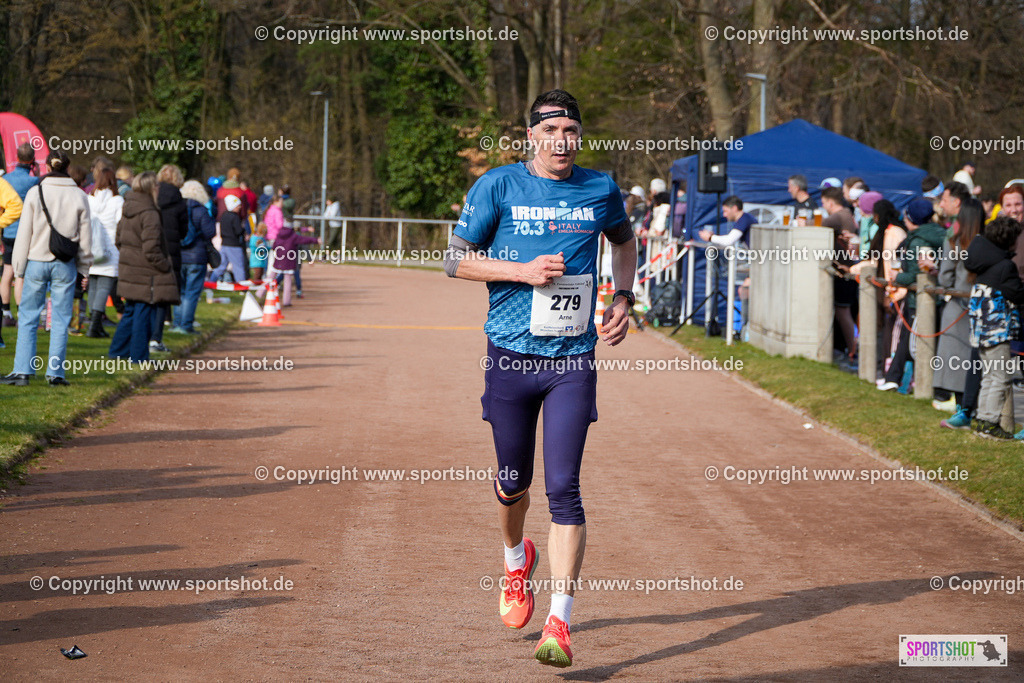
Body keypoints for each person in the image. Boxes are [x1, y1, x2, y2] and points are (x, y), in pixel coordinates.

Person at [444, 89, 636, 668]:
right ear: (531, 136)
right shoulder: (498, 186)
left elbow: (625, 244)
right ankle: (513, 560)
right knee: (511, 484)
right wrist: (521, 272)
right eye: (552, 132)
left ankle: (560, 621)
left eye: (572, 132)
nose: (563, 142)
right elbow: (454, 259)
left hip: (572, 360)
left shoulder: (601, 188)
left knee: (565, 489)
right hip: (509, 356)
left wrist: (624, 295)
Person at [1, 150, 92, 386]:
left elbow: (25, 234)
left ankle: (22, 371)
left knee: (29, 317)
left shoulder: (35, 192)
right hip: (65, 263)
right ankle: (55, 374)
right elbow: (85, 238)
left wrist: (18, 267)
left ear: (46, 166)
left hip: (37, 260)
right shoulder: (79, 196)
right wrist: (84, 268)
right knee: (61, 320)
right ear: (67, 167)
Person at [921, 199, 982, 428]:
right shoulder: (987, 242)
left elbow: (945, 278)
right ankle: (972, 410)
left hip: (958, 306)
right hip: (982, 307)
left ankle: (961, 412)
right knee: (975, 364)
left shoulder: (955, 241)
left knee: (957, 365)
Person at [108, 172, 179, 363]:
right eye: (156, 186)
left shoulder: (128, 207)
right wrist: (165, 266)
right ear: (151, 188)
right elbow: (151, 248)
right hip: (146, 272)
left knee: (131, 311)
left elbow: (118, 239)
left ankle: (118, 351)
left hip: (129, 268)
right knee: (142, 313)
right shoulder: (150, 213)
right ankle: (138, 356)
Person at [964, 216, 1024, 439]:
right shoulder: (1004, 266)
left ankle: (982, 419)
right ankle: (989, 422)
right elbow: (1017, 293)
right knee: (1000, 377)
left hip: (981, 331)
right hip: (997, 331)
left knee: (989, 375)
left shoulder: (984, 262)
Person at [877, 198, 946, 391]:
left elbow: (918, 274)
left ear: (911, 219)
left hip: (921, 300)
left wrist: (898, 277)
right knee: (908, 339)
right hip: (924, 299)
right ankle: (896, 378)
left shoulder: (918, 241)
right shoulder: (937, 233)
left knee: (914, 342)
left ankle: (921, 385)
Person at [152, 164, 188, 353]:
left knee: (148, 294)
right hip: (171, 249)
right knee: (164, 294)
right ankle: (156, 337)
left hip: (152, 245)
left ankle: (146, 335)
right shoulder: (179, 200)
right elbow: (184, 231)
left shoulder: (153, 196)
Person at [173, 180, 218, 334]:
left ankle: (177, 324)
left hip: (179, 255)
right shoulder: (201, 210)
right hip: (197, 256)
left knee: (180, 291)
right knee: (191, 293)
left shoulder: (177, 209)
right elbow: (210, 232)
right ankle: (186, 325)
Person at [820, 187, 860, 363]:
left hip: (845, 271)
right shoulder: (846, 214)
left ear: (830, 202)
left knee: (843, 312)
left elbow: (816, 228)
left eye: (823, 204)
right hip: (848, 270)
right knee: (844, 312)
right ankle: (849, 349)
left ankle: (852, 351)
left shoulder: (837, 216)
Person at [85, 168, 123, 338]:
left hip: (91, 245)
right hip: (109, 246)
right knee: (105, 285)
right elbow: (120, 224)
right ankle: (94, 326)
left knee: (93, 283)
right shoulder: (117, 201)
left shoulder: (90, 198)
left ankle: (96, 324)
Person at [1, 143, 35, 334]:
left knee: (7, 272)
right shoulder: (33, 181)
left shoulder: (5, 179)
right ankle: (22, 314)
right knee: (20, 274)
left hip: (7, 231)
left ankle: (6, 311)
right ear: (32, 160)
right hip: (24, 232)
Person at [269, 224, 318, 305]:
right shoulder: (297, 237)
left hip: (287, 261)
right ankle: (298, 291)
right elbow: (306, 249)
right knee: (296, 276)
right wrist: (310, 260)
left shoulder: (287, 236)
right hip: (295, 261)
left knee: (282, 275)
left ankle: (274, 285)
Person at [210, 195, 246, 283]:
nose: (240, 207)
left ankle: (211, 282)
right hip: (234, 245)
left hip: (224, 244)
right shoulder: (235, 217)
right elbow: (238, 231)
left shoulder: (223, 215)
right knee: (238, 266)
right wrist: (243, 230)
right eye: (238, 205)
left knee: (221, 266)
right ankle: (242, 286)